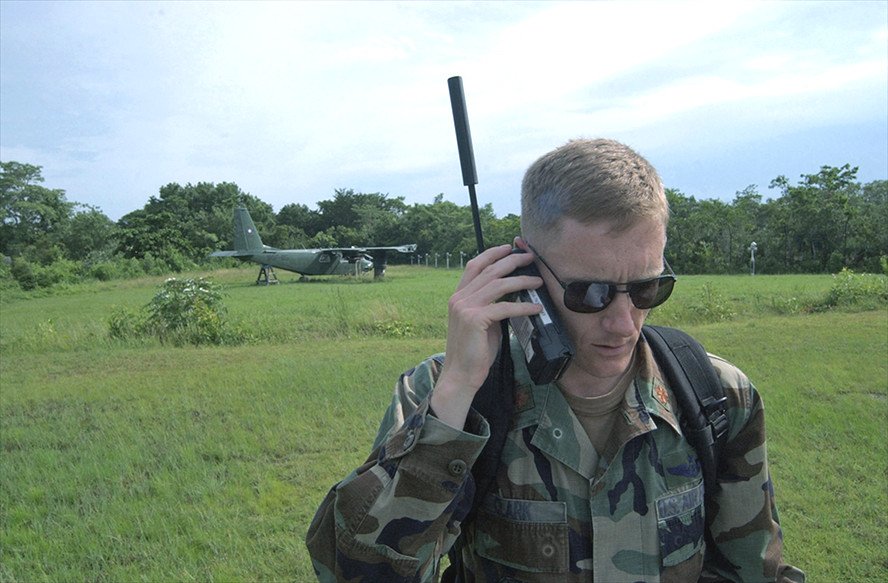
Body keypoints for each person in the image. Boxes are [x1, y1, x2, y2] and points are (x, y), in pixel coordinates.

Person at [306, 138, 805, 582]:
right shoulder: (444, 393)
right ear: (525, 267)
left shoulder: (715, 393)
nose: (624, 323)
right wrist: (457, 392)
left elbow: (753, 567)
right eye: (591, 293)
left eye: (648, 288)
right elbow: (354, 569)